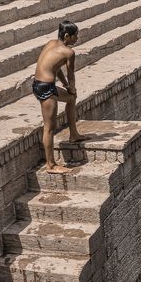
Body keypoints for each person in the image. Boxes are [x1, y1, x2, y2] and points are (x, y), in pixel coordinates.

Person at [32, 20, 86, 174]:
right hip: (46, 88)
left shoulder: (51, 43)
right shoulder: (69, 52)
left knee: (71, 98)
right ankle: (50, 165)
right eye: (75, 36)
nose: (77, 38)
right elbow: (71, 74)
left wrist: (66, 86)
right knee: (49, 127)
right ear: (67, 36)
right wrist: (72, 87)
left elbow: (56, 68)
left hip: (39, 84)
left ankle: (73, 134)